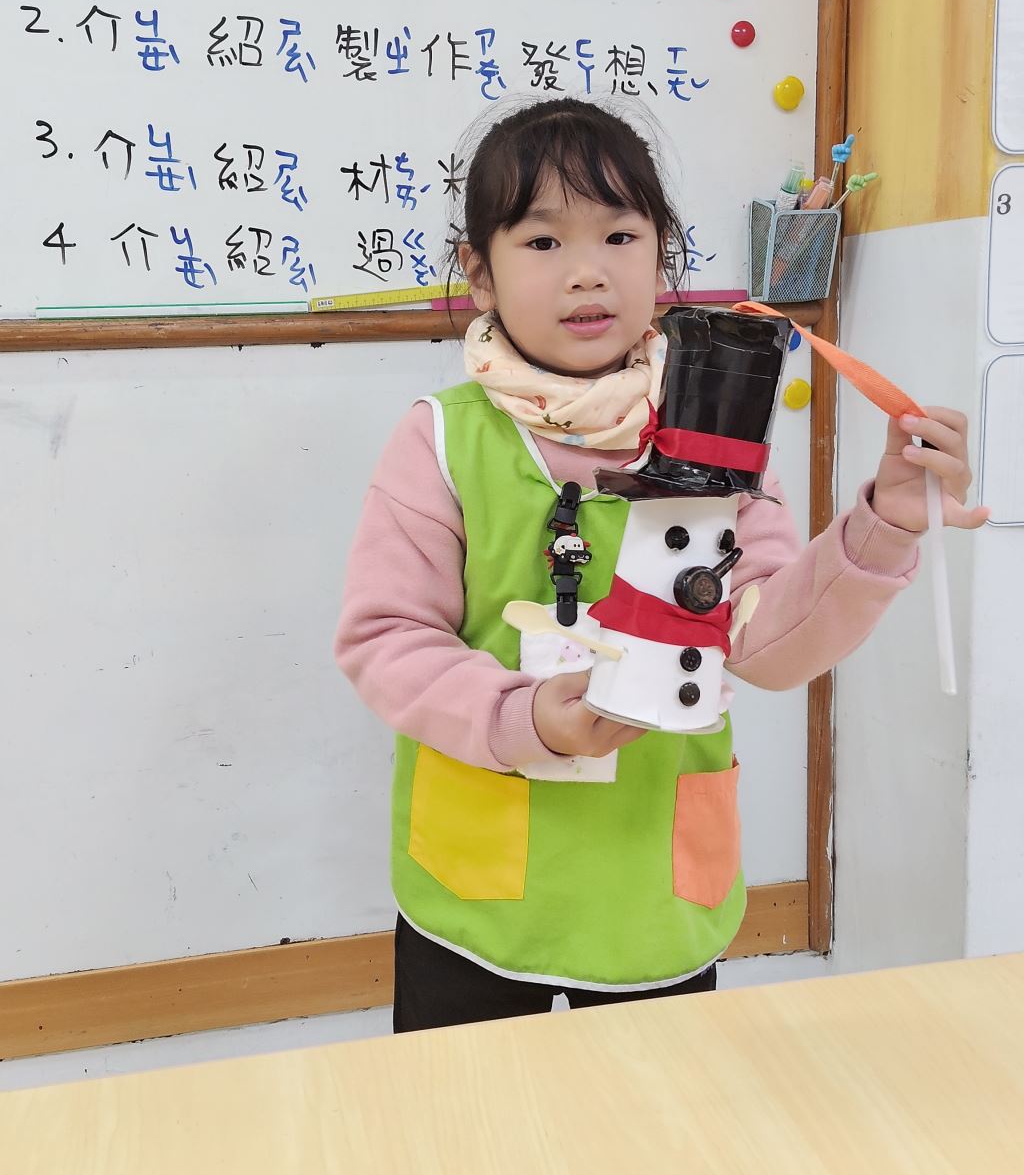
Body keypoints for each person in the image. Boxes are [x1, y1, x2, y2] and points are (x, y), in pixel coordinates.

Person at [335, 99, 984, 1032]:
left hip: (655, 888)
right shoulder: (439, 438)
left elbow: (766, 646)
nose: (587, 270)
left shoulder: (717, 434)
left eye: (620, 235)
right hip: (476, 891)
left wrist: (886, 520)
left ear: (662, 255)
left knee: (660, 1120)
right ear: (479, 272)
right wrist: (524, 719)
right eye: (542, 242)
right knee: (467, 1117)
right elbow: (385, 640)